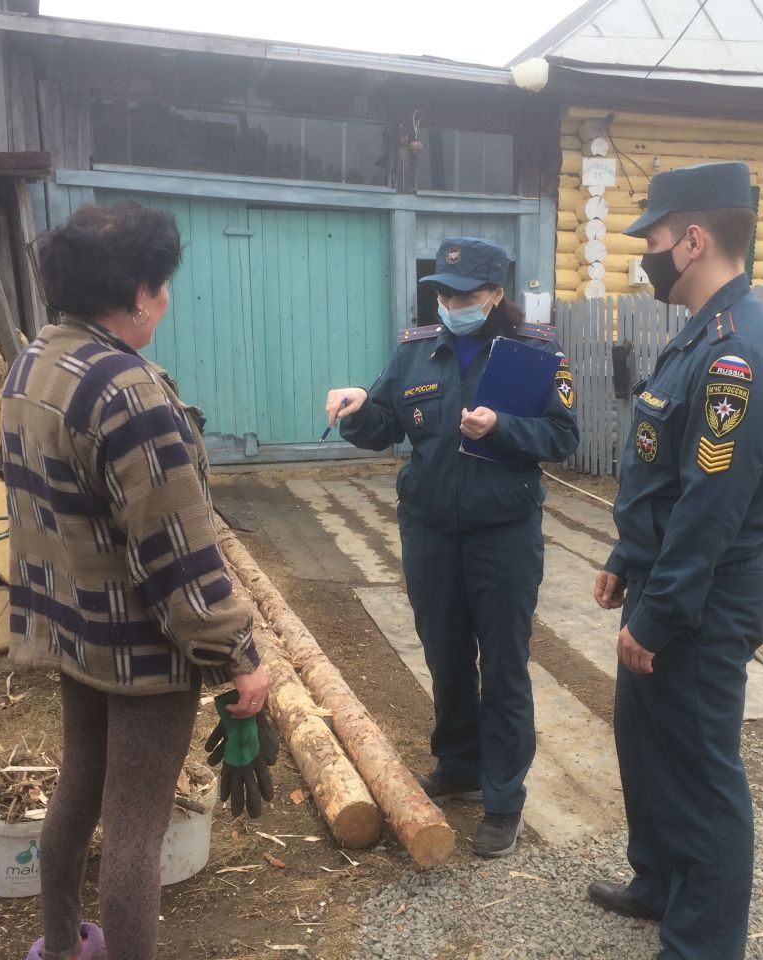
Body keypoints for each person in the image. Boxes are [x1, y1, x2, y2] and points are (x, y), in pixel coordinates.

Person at [1, 201, 270, 960]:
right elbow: (177, 554)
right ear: (140, 295)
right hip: (141, 648)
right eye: (164, 284)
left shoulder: (35, 363)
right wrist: (239, 657)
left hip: (74, 629)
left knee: (79, 786)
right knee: (134, 829)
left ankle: (61, 946)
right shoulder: (126, 392)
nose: (167, 298)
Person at [587, 162, 763, 959]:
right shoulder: (698, 336)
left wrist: (661, 616)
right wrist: (626, 555)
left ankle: (703, 944)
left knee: (702, 775)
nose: (645, 253)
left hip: (704, 597)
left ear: (694, 240)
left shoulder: (735, 353)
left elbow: (712, 507)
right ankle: (659, 883)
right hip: (666, 577)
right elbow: (668, 474)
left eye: (653, 238)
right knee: (647, 747)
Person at [325, 237, 579, 858]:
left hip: (504, 534)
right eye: (443, 292)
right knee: (444, 653)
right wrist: (356, 410)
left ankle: (504, 797)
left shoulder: (534, 354)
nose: (451, 304)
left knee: (505, 665)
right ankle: (461, 765)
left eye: (465, 295)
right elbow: (385, 425)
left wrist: (503, 427)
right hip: (431, 530)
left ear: (494, 295)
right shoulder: (416, 351)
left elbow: (562, 436)